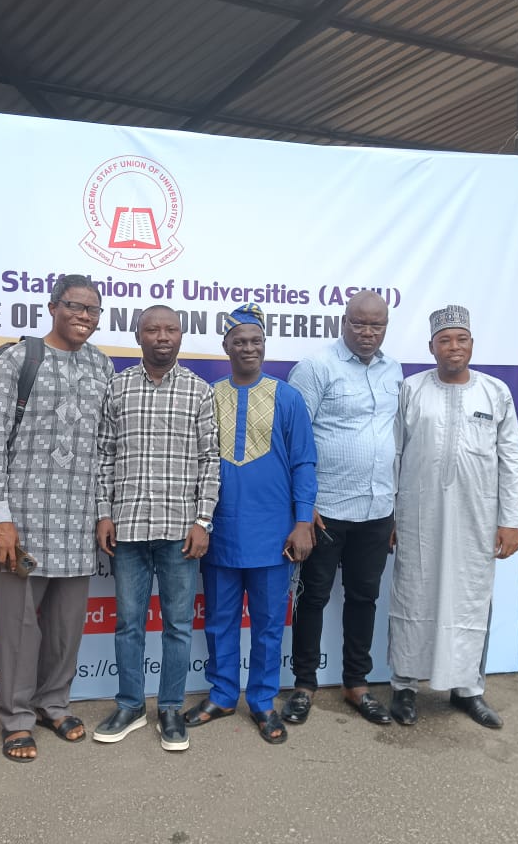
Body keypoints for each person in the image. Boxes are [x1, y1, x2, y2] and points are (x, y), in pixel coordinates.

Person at [0, 274, 113, 763]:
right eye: (75, 306)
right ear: (53, 306)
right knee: (17, 627)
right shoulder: (20, 359)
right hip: (24, 519)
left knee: (66, 626)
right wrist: (1, 517)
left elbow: (105, 447)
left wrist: (103, 512)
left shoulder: (102, 365)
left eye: (92, 310)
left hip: (78, 521)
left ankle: (53, 703)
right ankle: (16, 717)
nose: (84, 316)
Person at [387, 305, 518, 730]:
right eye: (444, 340)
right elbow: (393, 453)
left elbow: (512, 459)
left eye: (461, 339)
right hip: (418, 516)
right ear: (431, 347)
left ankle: (469, 689)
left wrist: (512, 520)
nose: (453, 347)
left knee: (470, 600)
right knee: (413, 596)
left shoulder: (495, 392)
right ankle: (404, 687)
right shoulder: (411, 390)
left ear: (472, 344)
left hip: (476, 519)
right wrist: (389, 514)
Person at [182, 304, 316, 745]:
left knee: (268, 624)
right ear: (226, 346)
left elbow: (304, 462)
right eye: (239, 341)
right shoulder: (209, 396)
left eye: (255, 340)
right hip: (220, 530)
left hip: (274, 533)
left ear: (265, 345)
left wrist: (302, 521)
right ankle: (222, 695)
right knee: (219, 620)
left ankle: (261, 700)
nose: (248, 348)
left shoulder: (287, 397)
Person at [93, 305, 219, 752]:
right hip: (127, 528)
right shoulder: (118, 387)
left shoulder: (199, 391)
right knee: (128, 623)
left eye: (170, 329)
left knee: (178, 626)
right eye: (152, 329)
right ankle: (130, 706)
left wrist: (203, 520)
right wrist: (104, 513)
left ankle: (169, 709)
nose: (162, 336)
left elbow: (210, 461)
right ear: (138, 335)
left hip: (180, 530)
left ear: (181, 336)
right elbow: (104, 456)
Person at [281, 290, 402, 728]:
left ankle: (357, 683)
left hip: (376, 509)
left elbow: (395, 438)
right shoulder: (316, 367)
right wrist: (303, 506)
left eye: (377, 325)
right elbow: (291, 438)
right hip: (325, 509)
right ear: (343, 322)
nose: (368, 332)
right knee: (312, 597)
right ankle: (304, 684)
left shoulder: (393, 370)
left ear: (385, 326)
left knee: (365, 598)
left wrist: (394, 505)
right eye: (359, 323)